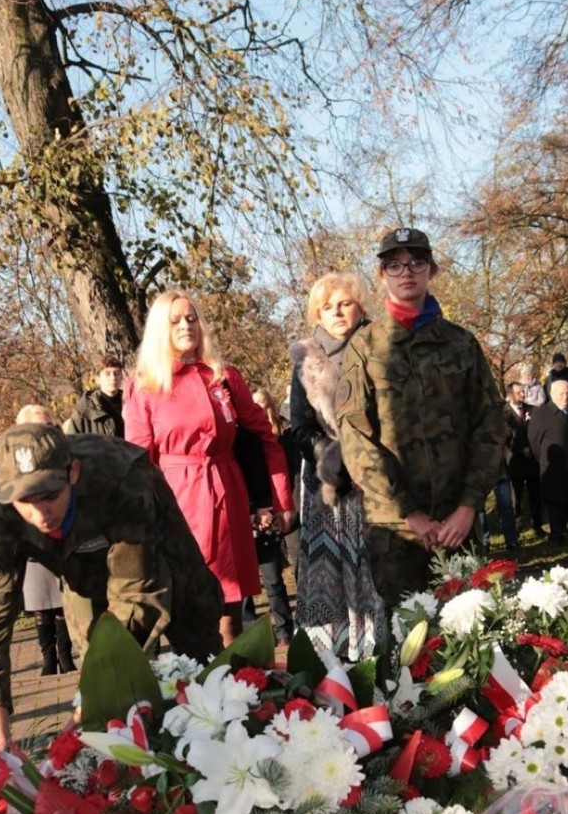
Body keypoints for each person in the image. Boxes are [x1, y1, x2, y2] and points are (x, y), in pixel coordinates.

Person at [0, 423, 225, 751]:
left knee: (202, 666)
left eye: (50, 496)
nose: (40, 513)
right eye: (26, 500)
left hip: (158, 554)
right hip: (81, 573)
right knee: (97, 659)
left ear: (73, 472)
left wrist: (92, 698)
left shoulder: (122, 479)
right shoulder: (1, 506)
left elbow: (136, 594)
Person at [336, 228, 504, 609]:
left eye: (416, 262)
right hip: (397, 531)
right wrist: (408, 513)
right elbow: (356, 439)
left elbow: (490, 427)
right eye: (394, 265)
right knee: (408, 648)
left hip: (457, 523)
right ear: (381, 276)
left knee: (473, 639)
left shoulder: (461, 344)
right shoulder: (364, 348)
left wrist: (469, 505)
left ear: (432, 270)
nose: (406, 272)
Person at [124, 290, 294, 646]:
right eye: (175, 321)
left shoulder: (224, 377)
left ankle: (235, 690)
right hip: (178, 502)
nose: (186, 325)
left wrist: (280, 500)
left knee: (230, 607)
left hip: (226, 493)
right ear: (160, 330)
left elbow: (266, 436)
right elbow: (136, 463)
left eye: (191, 318)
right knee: (189, 605)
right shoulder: (145, 385)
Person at [290, 273, 385, 659]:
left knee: (378, 574)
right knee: (328, 586)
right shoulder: (306, 359)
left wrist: (366, 457)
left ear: (360, 305)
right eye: (327, 307)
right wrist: (329, 456)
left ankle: (383, 657)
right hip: (328, 492)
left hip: (379, 483)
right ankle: (332, 666)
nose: (337, 312)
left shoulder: (383, 347)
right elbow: (300, 426)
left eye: (344, 303)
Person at [14, 404, 76, 676]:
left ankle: (65, 655)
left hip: (68, 544)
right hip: (34, 549)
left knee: (64, 604)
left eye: (51, 426)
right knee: (41, 604)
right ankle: (48, 659)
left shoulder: (71, 458)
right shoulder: (11, 465)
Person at [242, 388, 296, 647]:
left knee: (274, 579)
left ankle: (285, 630)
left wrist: (271, 508)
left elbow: (278, 475)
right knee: (244, 587)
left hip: (268, 517)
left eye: (264, 405)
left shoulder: (273, 438)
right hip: (244, 516)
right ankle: (251, 635)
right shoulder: (236, 439)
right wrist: (252, 511)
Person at [528, 379, 568, 545]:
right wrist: (544, 459)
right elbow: (534, 441)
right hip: (554, 467)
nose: (565, 396)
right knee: (556, 503)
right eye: (561, 393)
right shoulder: (542, 414)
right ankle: (557, 535)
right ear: (552, 394)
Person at [503, 382, 544, 538]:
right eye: (519, 392)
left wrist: (531, 449)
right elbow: (504, 437)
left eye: (523, 391)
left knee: (535, 495)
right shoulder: (503, 413)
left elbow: (537, 431)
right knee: (516, 498)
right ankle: (517, 527)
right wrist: (520, 449)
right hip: (514, 462)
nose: (523, 394)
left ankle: (537, 525)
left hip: (532, 461)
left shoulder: (532, 410)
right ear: (510, 395)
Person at [63, 354, 125, 437]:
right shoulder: (85, 409)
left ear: (121, 376)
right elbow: (72, 442)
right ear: (98, 379)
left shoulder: (131, 403)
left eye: (116, 373)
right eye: (107, 374)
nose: (113, 378)